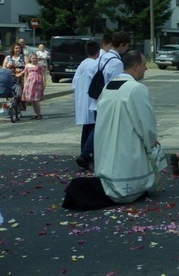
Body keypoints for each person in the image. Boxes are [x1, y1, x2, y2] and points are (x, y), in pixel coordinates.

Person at [62, 51, 164, 210]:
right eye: (144, 65)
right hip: (128, 145)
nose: (146, 69)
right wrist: (151, 142)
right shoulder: (137, 89)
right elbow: (145, 122)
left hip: (107, 145)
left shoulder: (108, 86)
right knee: (131, 179)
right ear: (136, 66)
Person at [76, 31, 131, 171]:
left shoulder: (102, 57)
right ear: (122, 45)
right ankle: (86, 154)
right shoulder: (117, 62)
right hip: (108, 100)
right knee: (102, 129)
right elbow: (116, 83)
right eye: (126, 46)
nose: (126, 50)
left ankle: (88, 154)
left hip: (97, 99)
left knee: (98, 128)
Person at [72, 41, 101, 153]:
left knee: (87, 127)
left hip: (82, 100)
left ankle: (84, 152)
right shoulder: (95, 65)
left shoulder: (81, 65)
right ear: (98, 52)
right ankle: (87, 152)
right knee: (93, 127)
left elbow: (74, 85)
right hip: (92, 100)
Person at [22, 53, 45, 119]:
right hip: (29, 83)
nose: (34, 59)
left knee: (36, 99)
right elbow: (25, 76)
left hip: (38, 83)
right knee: (32, 99)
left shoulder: (40, 65)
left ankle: (39, 114)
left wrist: (44, 84)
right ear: (30, 59)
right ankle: (36, 114)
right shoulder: (27, 65)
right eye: (33, 58)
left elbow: (43, 75)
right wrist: (25, 84)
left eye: (35, 58)